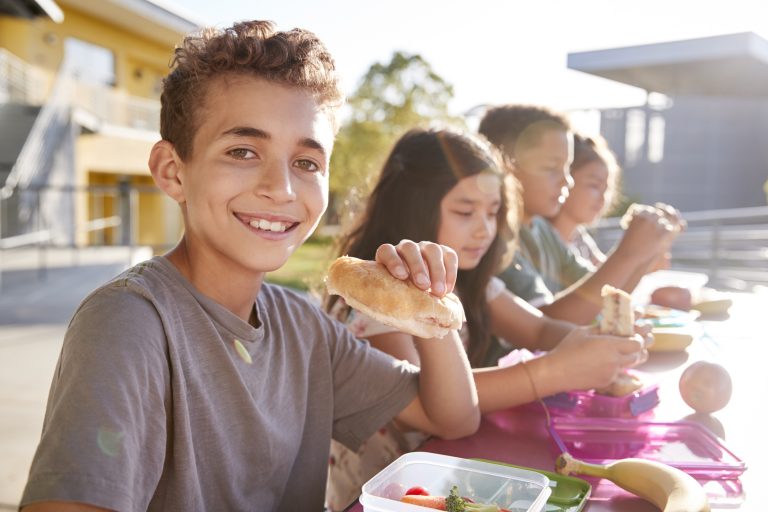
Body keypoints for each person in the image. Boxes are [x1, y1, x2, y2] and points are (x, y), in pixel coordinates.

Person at [19, 21, 481, 512]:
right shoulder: (129, 325)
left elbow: (451, 417)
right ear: (173, 172)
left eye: (306, 163)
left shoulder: (303, 327)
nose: (280, 188)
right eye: (242, 152)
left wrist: (430, 304)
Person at [324, 128, 649, 510]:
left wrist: (600, 343)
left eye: (492, 212)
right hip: (379, 494)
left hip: (444, 473)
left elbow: (539, 328)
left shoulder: (473, 282)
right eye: (465, 212)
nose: (484, 229)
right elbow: (431, 407)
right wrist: (556, 371)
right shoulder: (377, 302)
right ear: (412, 207)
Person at [478, 104, 684, 324]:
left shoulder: (543, 230)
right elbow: (545, 326)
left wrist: (647, 249)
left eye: (567, 168)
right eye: (551, 168)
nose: (567, 181)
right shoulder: (494, 238)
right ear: (505, 167)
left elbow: (604, 296)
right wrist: (628, 253)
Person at [548, 132, 621, 266]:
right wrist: (629, 251)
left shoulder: (578, 238)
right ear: (566, 179)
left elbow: (604, 271)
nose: (603, 197)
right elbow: (601, 278)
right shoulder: (544, 240)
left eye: (607, 189)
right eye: (594, 185)